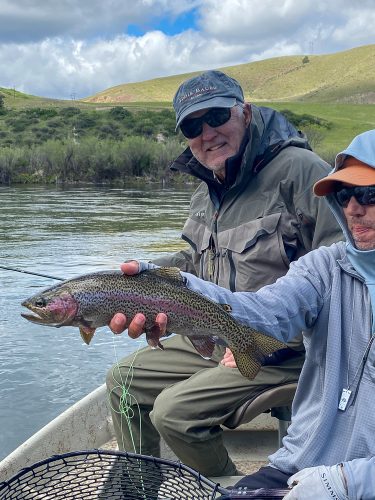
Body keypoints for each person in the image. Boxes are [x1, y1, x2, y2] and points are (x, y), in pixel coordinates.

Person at [106, 70, 342, 477]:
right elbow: (195, 262)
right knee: (122, 380)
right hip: (216, 334)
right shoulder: (205, 188)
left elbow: (343, 269)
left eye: (216, 116)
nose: (207, 132)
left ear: (245, 113)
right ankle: (138, 487)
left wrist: (267, 338)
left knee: (173, 413)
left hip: (285, 349)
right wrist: (131, 282)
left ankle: (228, 488)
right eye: (192, 125)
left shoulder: (300, 170)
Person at [121, 129, 375, 498]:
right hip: (298, 466)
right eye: (345, 194)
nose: (353, 208)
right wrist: (171, 290)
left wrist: (347, 482)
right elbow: (260, 312)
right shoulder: (324, 267)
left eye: (369, 195)